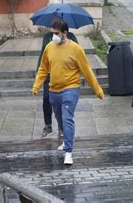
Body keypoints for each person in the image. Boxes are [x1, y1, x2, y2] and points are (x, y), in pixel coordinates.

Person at [32, 18, 104, 165]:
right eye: (52, 33)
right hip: (53, 90)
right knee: (60, 119)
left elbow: (87, 71)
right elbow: (43, 68)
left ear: (65, 33)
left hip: (70, 88)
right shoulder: (49, 47)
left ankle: (68, 152)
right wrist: (36, 86)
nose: (54, 36)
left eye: (57, 33)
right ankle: (66, 141)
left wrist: (98, 90)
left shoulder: (76, 49)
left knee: (67, 118)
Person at [37, 22, 78, 138]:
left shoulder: (71, 37)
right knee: (46, 98)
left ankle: (61, 127)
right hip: (48, 74)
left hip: (64, 75)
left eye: (57, 31)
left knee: (61, 102)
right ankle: (48, 125)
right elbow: (43, 55)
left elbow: (78, 53)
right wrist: (39, 72)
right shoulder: (46, 37)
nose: (54, 34)